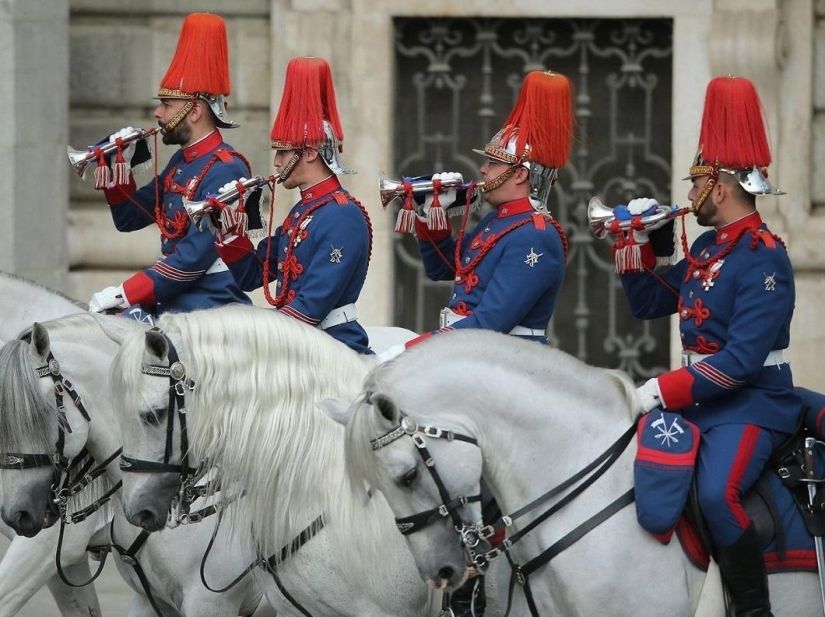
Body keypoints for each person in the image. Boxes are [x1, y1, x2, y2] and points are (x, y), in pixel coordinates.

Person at [620, 76, 800, 617]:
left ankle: (753, 610)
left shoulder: (764, 257)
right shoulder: (706, 245)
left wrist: (661, 390)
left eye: (697, 182)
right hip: (701, 401)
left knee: (719, 494)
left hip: (751, 403)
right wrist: (638, 243)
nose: (690, 193)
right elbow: (650, 302)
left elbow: (741, 363)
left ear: (718, 188)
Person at [382, 70, 573, 358]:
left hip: (507, 360)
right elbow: (443, 269)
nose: (483, 169)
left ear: (519, 174)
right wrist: (432, 213)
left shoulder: (535, 234)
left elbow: (489, 323)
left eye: (493, 163)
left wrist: (411, 351)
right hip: (473, 352)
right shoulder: (499, 220)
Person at [88, 12, 251, 316]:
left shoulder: (226, 168)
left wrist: (126, 293)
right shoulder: (181, 162)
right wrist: (116, 165)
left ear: (194, 111)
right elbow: (129, 218)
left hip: (210, 306)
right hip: (175, 300)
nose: (158, 113)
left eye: (166, 104)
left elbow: (192, 260)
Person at [213, 57, 373, 354]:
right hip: (295, 340)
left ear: (310, 152)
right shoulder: (302, 212)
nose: (276, 162)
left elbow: (312, 306)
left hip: (332, 346)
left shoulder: (342, 214)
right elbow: (253, 275)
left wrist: (253, 334)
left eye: (283, 153)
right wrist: (230, 232)